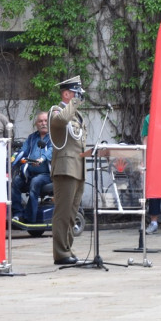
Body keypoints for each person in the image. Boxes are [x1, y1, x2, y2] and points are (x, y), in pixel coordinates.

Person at [49, 76, 88, 265]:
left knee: (72, 214)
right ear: (66, 94)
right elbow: (61, 120)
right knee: (63, 213)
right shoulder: (56, 111)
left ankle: (67, 249)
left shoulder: (77, 115)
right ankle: (60, 253)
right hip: (65, 168)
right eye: (75, 93)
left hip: (78, 168)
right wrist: (74, 102)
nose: (79, 97)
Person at [10, 111, 53, 224]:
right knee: (15, 182)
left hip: (47, 175)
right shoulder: (32, 137)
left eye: (46, 121)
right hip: (29, 173)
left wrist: (42, 159)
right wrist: (14, 160)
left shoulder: (54, 138)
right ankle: (18, 214)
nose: (43, 123)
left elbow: (51, 150)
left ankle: (29, 219)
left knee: (35, 182)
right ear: (36, 124)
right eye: (40, 121)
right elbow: (23, 151)